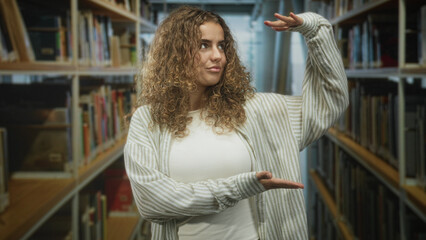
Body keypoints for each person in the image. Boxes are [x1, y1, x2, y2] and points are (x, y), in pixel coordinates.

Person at [124, 5, 348, 240]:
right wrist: (241, 187)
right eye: (204, 45)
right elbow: (151, 202)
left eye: (221, 45)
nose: (218, 55)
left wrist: (315, 30)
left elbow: (329, 100)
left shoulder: (256, 111)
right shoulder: (148, 120)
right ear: (174, 54)